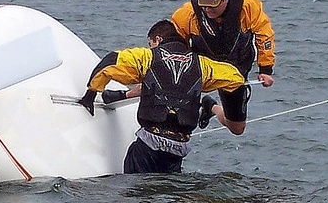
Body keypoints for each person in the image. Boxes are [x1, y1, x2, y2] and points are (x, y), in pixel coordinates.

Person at [77, 20, 245, 174]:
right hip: (177, 150)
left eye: (151, 44)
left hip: (148, 147)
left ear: (157, 39)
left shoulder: (148, 57)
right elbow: (236, 79)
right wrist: (236, 114)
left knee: (137, 196)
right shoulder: (202, 65)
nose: (151, 48)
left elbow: (111, 62)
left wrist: (90, 94)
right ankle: (210, 107)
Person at [170, 0, 275, 135]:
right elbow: (173, 43)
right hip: (203, 67)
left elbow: (265, 36)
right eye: (203, 3)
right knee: (180, 111)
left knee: (237, 128)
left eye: (213, 4)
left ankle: (211, 107)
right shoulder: (187, 13)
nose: (207, 9)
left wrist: (266, 69)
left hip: (235, 71)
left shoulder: (248, 6)